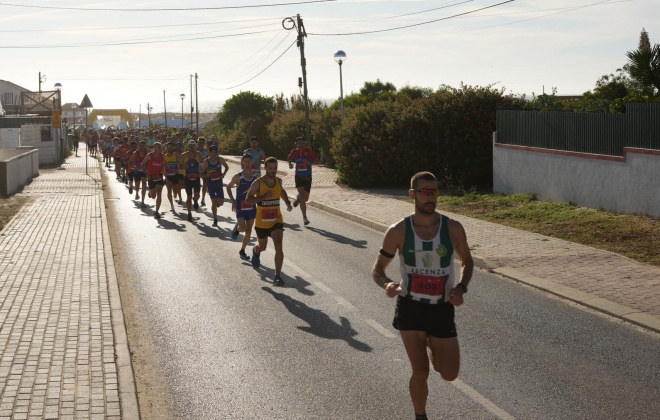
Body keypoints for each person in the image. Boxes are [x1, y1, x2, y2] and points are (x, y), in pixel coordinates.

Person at [371, 171, 474, 420]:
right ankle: (420, 416)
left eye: (434, 191)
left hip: (441, 308)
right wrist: (386, 285)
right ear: (412, 195)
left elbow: (467, 262)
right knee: (420, 371)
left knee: (449, 373)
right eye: (424, 192)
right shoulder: (398, 231)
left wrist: (461, 288)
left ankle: (435, 350)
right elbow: (377, 269)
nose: (430, 197)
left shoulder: (452, 228)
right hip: (411, 308)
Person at [244, 157, 293, 286]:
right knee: (263, 247)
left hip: (276, 221)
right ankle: (256, 251)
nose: (273, 171)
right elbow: (248, 200)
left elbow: (281, 191)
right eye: (270, 168)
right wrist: (263, 197)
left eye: (275, 168)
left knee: (279, 245)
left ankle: (277, 276)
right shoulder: (258, 183)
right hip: (261, 223)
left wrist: (287, 202)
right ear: (265, 168)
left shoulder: (278, 181)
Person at [226, 154, 257, 260]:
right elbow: (228, 187)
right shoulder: (238, 177)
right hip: (240, 208)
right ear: (242, 163)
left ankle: (242, 251)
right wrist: (233, 201)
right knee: (243, 228)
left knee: (249, 231)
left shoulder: (256, 178)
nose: (248, 163)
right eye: (246, 161)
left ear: (252, 162)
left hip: (252, 208)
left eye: (249, 161)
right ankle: (237, 228)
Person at [287, 136, 318, 226]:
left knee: (305, 199)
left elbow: (317, 161)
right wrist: (290, 164)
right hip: (298, 177)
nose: (300, 145)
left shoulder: (309, 151)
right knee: (302, 196)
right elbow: (289, 157)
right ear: (296, 144)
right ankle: (304, 217)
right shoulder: (294, 151)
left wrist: (310, 163)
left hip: (308, 177)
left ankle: (298, 199)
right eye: (299, 143)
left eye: (302, 143)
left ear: (305, 143)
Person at [200, 144, 229, 227]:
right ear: (209, 152)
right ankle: (215, 219)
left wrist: (223, 173)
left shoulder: (220, 160)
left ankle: (217, 204)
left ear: (217, 152)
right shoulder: (206, 162)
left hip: (219, 184)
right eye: (211, 151)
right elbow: (200, 174)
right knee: (213, 201)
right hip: (211, 184)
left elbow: (227, 167)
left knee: (221, 202)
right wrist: (206, 176)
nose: (213, 153)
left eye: (215, 152)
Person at [179, 140, 204, 222]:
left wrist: (201, 171)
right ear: (187, 147)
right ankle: (189, 213)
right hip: (187, 178)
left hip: (196, 178)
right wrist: (183, 167)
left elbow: (202, 164)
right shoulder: (183, 155)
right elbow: (179, 167)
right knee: (188, 197)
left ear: (195, 146)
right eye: (190, 146)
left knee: (197, 195)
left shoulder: (199, 154)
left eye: (193, 146)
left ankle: (195, 200)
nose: (192, 147)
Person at [142, 142, 166, 219]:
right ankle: (150, 192)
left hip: (159, 176)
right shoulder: (149, 155)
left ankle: (156, 212)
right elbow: (142, 165)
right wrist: (147, 174)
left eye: (160, 146)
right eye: (158, 146)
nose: (159, 147)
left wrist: (164, 171)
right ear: (154, 147)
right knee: (153, 196)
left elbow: (165, 164)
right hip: (151, 176)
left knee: (159, 192)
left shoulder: (162, 156)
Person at [129, 140, 149, 207]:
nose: (141, 147)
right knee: (137, 185)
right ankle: (137, 193)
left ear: (144, 146)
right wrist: (133, 167)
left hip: (144, 170)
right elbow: (130, 162)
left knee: (144, 184)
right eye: (140, 146)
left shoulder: (147, 153)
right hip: (137, 171)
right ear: (138, 146)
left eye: (143, 146)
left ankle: (142, 201)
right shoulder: (135, 153)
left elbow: (150, 162)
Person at [164, 142, 181, 213]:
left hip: (175, 175)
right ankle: (171, 204)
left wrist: (177, 170)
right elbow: (163, 165)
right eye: (168, 146)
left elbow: (180, 163)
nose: (169, 148)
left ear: (173, 147)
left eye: (171, 146)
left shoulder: (176, 155)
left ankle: (176, 195)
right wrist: (164, 171)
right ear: (166, 147)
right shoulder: (164, 156)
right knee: (168, 190)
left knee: (176, 190)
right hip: (168, 176)